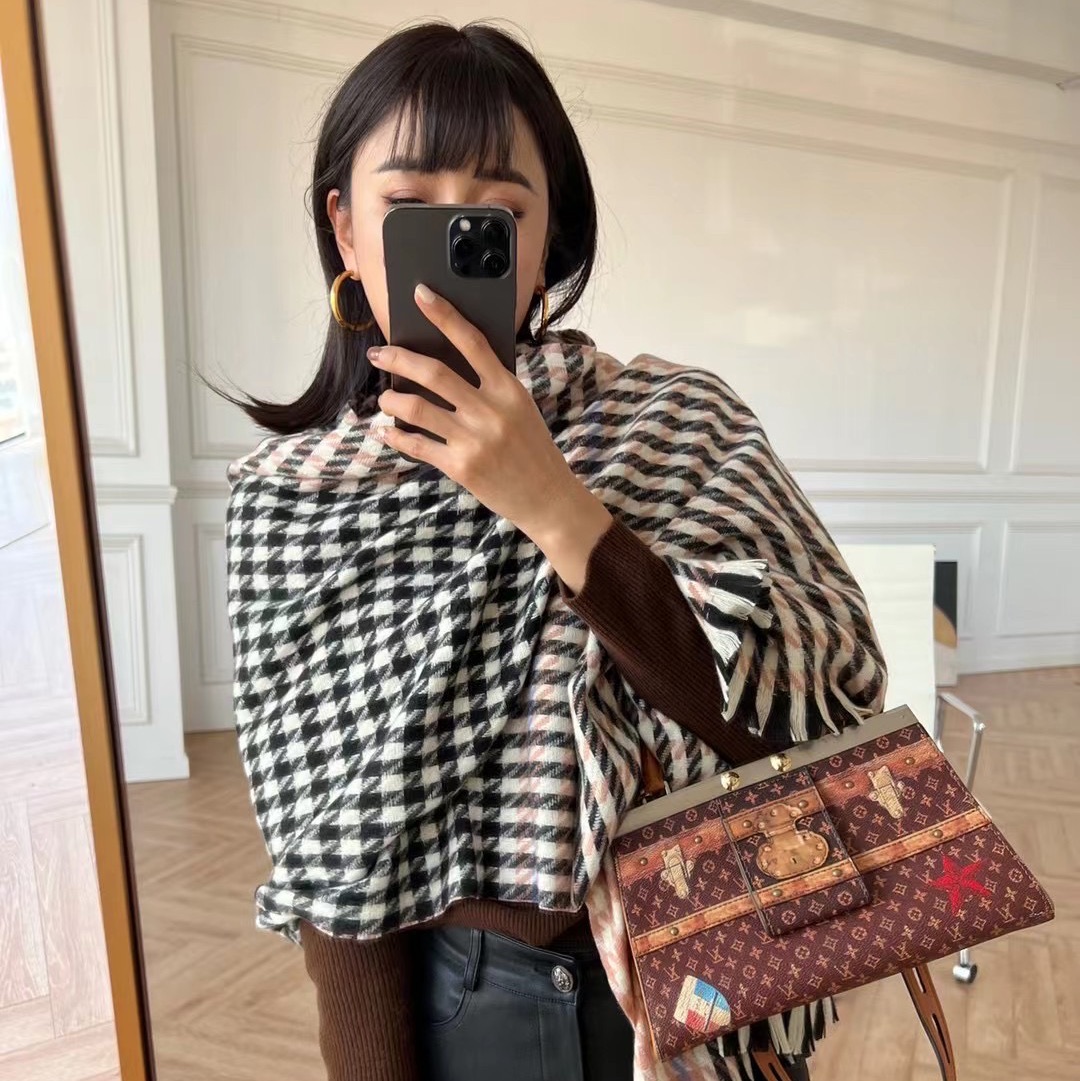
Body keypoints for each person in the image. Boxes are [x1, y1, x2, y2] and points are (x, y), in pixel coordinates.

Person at [217, 20, 887, 1081]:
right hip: (465, 1010)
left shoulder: (679, 422)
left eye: (496, 211)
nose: (454, 236)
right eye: (408, 203)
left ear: (546, 237)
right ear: (344, 229)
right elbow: (333, 866)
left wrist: (557, 507)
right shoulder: (296, 506)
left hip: (710, 964)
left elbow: (795, 718)